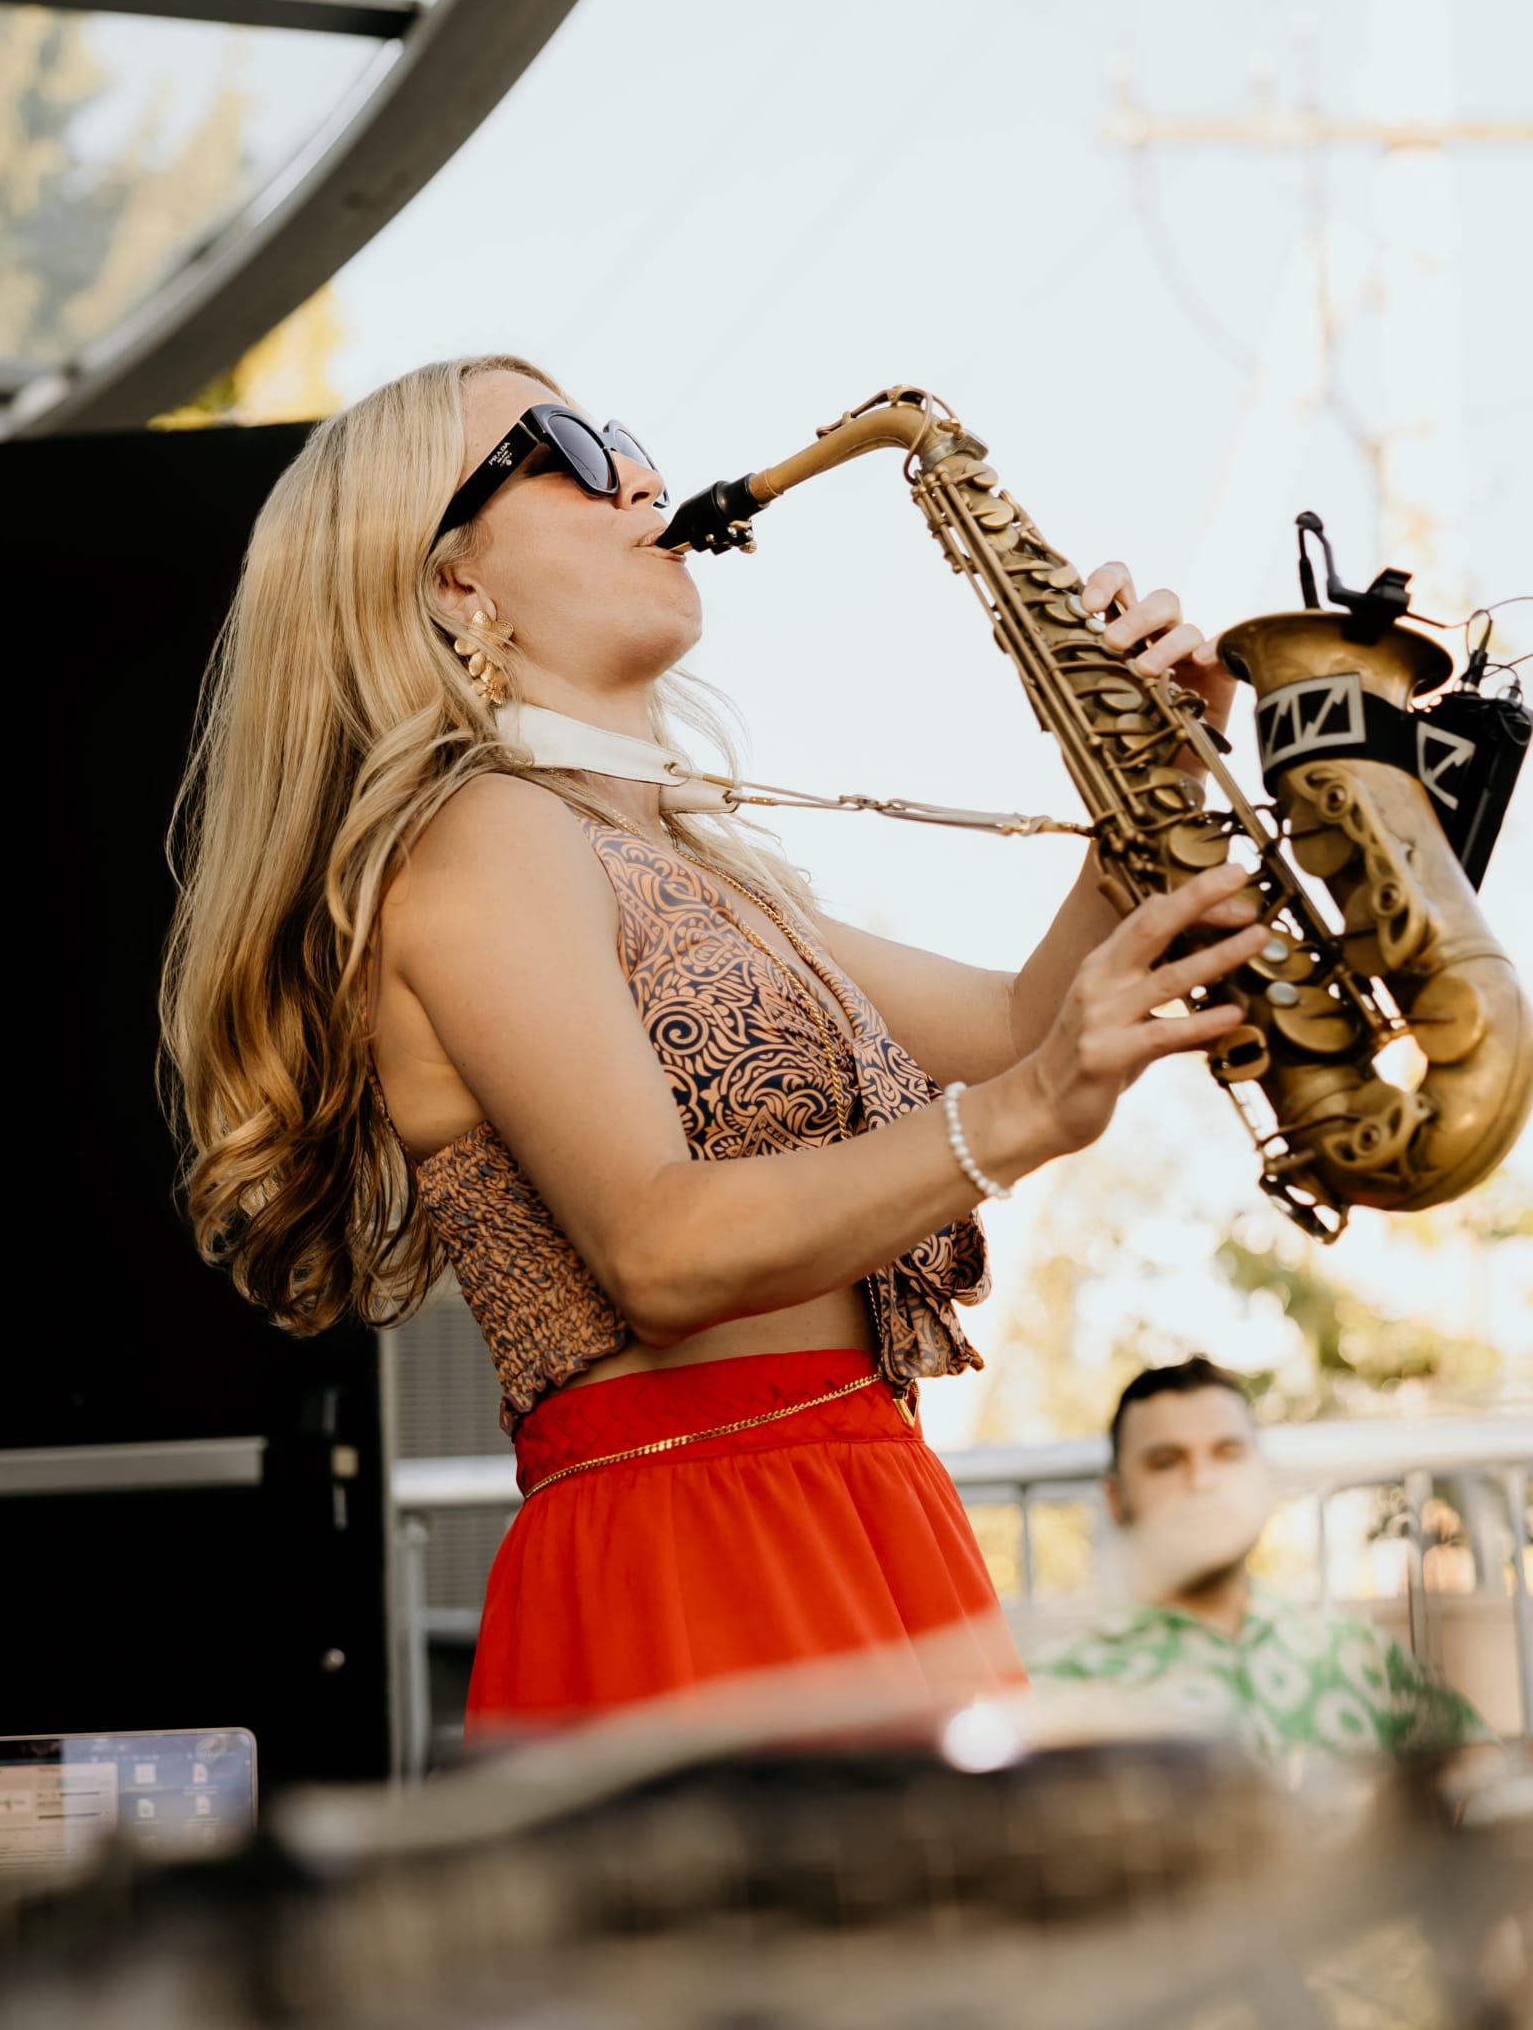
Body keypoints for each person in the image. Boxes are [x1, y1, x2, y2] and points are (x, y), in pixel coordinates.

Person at [162, 359, 1275, 1732]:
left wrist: (1153, 768)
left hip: (847, 1496)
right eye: (561, 446)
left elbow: (1009, 1026)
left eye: (624, 434)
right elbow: (661, 1250)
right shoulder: (478, 835)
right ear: (453, 582)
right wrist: (1033, 1110)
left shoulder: (688, 863)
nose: (637, 471)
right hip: (699, 1540)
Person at [1031, 1357, 1489, 1758]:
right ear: (1115, 1498)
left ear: (1261, 1477)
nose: (1203, 1481)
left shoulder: (1361, 1655)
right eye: (1166, 1462)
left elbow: (1481, 1774)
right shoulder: (1061, 1686)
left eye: (1228, 1454)